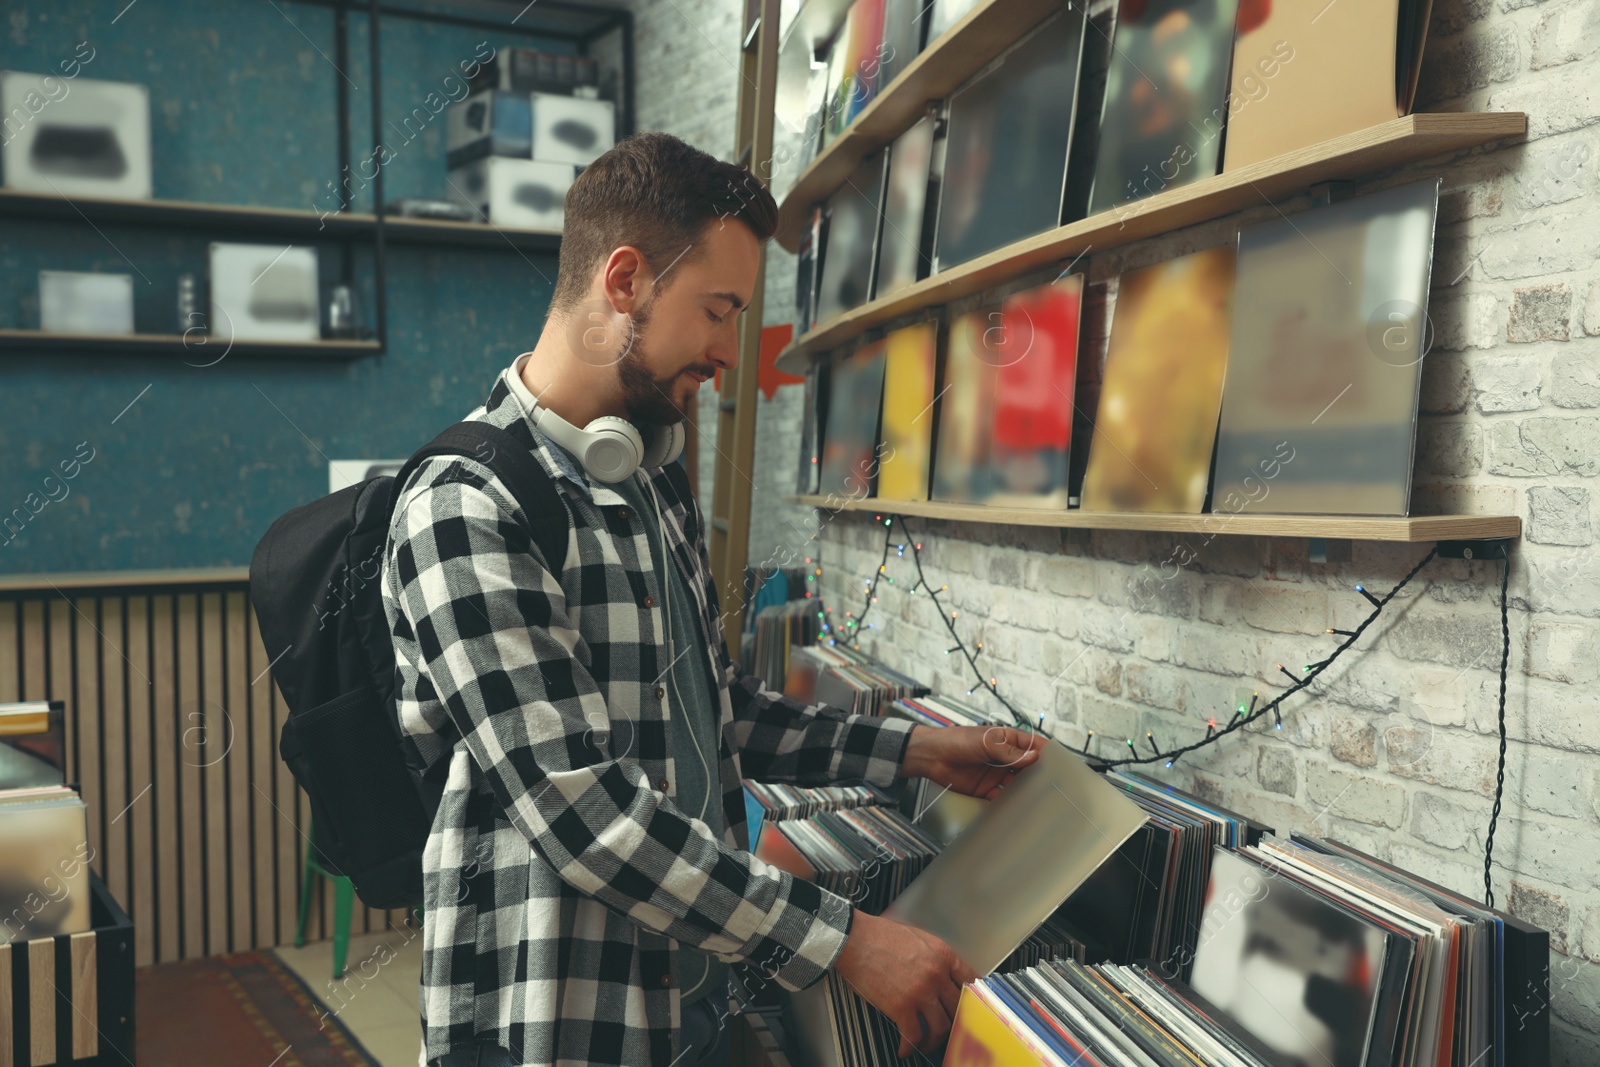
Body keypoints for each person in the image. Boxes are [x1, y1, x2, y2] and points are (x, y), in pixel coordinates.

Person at [380, 131, 1044, 1067]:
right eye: (717, 311)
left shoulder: (655, 475)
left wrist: (921, 749)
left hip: (693, 1001)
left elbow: (718, 711)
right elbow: (587, 816)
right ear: (623, 282)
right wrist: (846, 940)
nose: (729, 353)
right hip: (551, 1028)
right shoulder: (463, 508)